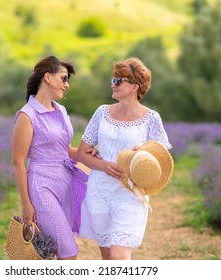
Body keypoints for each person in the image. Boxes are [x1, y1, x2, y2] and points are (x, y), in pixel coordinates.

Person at [77, 57, 172, 260]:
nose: (113, 84)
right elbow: (82, 153)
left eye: (119, 81)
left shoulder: (151, 118)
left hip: (130, 192)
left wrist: (145, 151)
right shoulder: (101, 113)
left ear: (134, 87)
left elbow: (161, 157)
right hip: (99, 191)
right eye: (113, 79)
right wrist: (103, 165)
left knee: (119, 256)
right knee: (108, 257)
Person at [11, 56, 97, 260]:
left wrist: (89, 154)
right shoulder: (27, 115)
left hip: (65, 185)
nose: (66, 85)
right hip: (42, 187)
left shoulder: (62, 111)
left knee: (56, 253)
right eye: (64, 78)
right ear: (48, 77)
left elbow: (66, 150)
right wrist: (26, 204)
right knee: (69, 253)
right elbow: (18, 162)